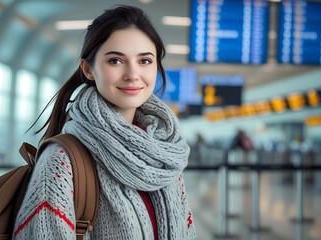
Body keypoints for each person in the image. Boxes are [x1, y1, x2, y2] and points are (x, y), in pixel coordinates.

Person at [13, 5, 195, 240]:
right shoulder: (62, 160)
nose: (132, 74)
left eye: (145, 61)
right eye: (116, 61)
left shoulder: (164, 153)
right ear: (88, 69)